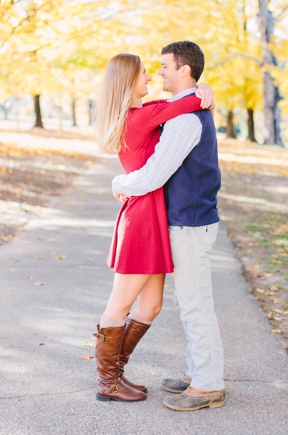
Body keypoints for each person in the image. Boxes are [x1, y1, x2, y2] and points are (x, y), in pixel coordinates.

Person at [93, 52, 214, 403]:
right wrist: (204, 88)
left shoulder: (143, 114)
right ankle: (108, 381)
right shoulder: (140, 117)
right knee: (119, 305)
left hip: (153, 216)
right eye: (145, 73)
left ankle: (117, 371)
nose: (150, 77)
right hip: (141, 219)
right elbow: (186, 101)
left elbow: (180, 100)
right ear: (128, 81)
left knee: (150, 307)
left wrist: (202, 86)